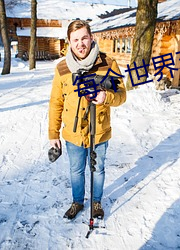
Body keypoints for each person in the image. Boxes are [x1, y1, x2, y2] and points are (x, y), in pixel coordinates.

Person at [48, 20, 126, 220]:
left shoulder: (108, 63)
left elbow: (122, 95)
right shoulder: (62, 68)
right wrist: (53, 134)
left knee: (98, 169)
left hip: (99, 131)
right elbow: (56, 102)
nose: (80, 43)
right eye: (75, 40)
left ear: (91, 38)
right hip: (73, 134)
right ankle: (77, 202)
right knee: (76, 170)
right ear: (69, 42)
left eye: (84, 38)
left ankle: (97, 202)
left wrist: (105, 97)